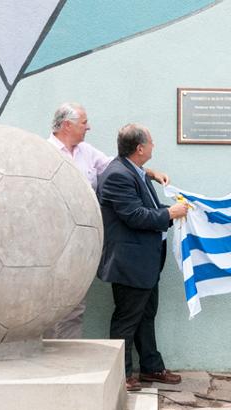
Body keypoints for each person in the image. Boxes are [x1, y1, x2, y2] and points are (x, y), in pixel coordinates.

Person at [44, 103, 169, 339]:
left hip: (84, 239)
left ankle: (70, 358)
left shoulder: (86, 151)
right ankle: (52, 354)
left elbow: (119, 165)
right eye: (84, 123)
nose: (88, 127)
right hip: (57, 238)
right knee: (55, 301)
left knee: (76, 304)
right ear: (67, 125)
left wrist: (150, 172)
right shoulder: (45, 153)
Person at [96, 124, 189, 391]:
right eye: (151, 142)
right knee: (126, 319)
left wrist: (170, 209)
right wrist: (170, 214)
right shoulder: (117, 176)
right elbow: (135, 216)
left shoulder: (135, 172)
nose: (154, 146)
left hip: (146, 262)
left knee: (146, 315)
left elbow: (148, 208)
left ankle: (151, 368)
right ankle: (122, 374)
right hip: (129, 263)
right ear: (140, 148)